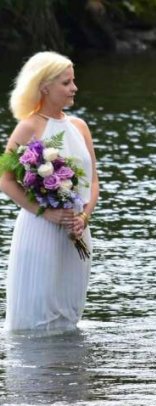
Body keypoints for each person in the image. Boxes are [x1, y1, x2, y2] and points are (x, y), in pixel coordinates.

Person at [1, 51, 99, 332]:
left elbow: (93, 182)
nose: (74, 88)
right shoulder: (29, 126)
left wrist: (84, 217)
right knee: (37, 312)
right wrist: (46, 212)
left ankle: (67, 374)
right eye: (66, 83)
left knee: (69, 312)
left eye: (73, 81)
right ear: (45, 86)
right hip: (40, 229)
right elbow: (5, 180)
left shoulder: (80, 127)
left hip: (76, 230)